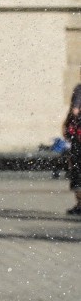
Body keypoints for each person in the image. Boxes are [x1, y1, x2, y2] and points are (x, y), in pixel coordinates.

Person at [63, 68, 81, 216]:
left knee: (77, 171)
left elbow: (75, 111)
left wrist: (67, 123)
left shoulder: (80, 89)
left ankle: (80, 204)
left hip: (79, 138)